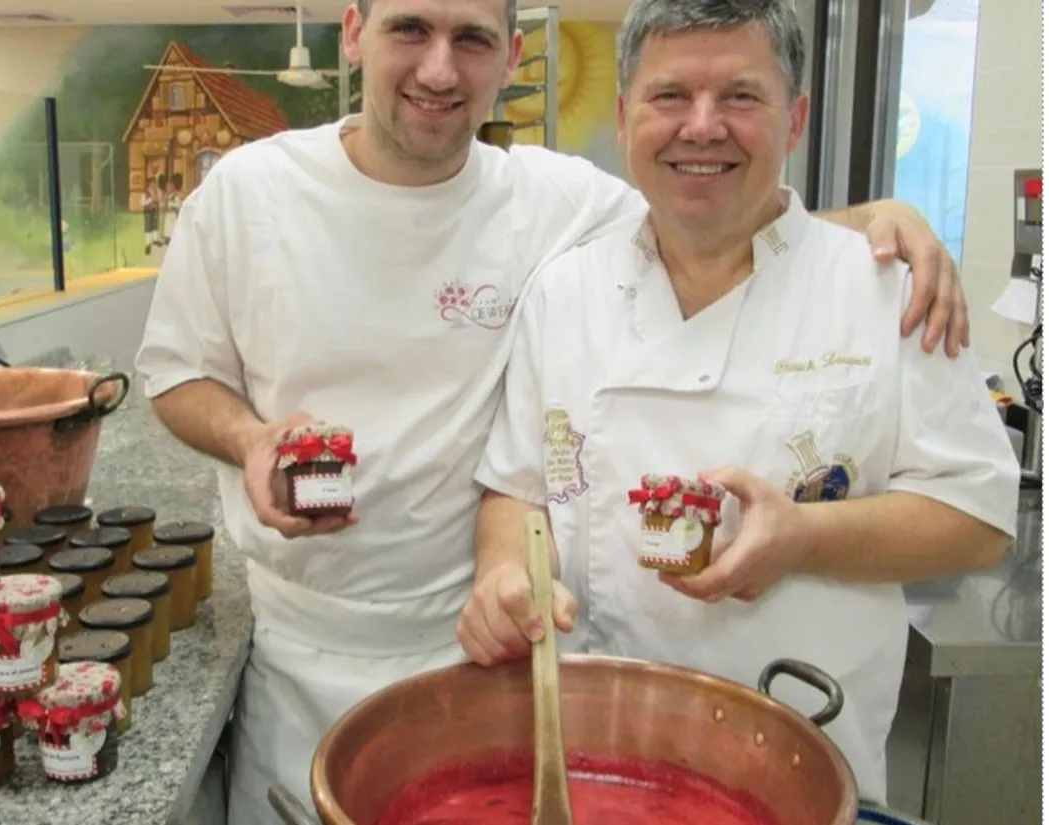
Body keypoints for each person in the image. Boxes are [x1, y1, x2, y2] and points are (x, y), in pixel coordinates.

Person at [133, 0, 970, 821]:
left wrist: (876, 225)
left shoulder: (553, 200)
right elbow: (174, 370)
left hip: (493, 655)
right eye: (409, 29)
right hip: (308, 640)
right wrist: (247, 438)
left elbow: (714, 211)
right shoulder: (248, 193)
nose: (438, 67)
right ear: (353, 34)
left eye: (472, 39)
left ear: (508, 58)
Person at [460, 0, 1020, 807]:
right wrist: (505, 574)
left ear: (794, 120)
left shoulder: (887, 289)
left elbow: (977, 517)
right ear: (624, 119)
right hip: (594, 760)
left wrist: (801, 536)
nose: (702, 126)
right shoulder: (564, 293)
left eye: (740, 97)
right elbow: (518, 488)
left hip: (802, 760)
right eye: (670, 96)